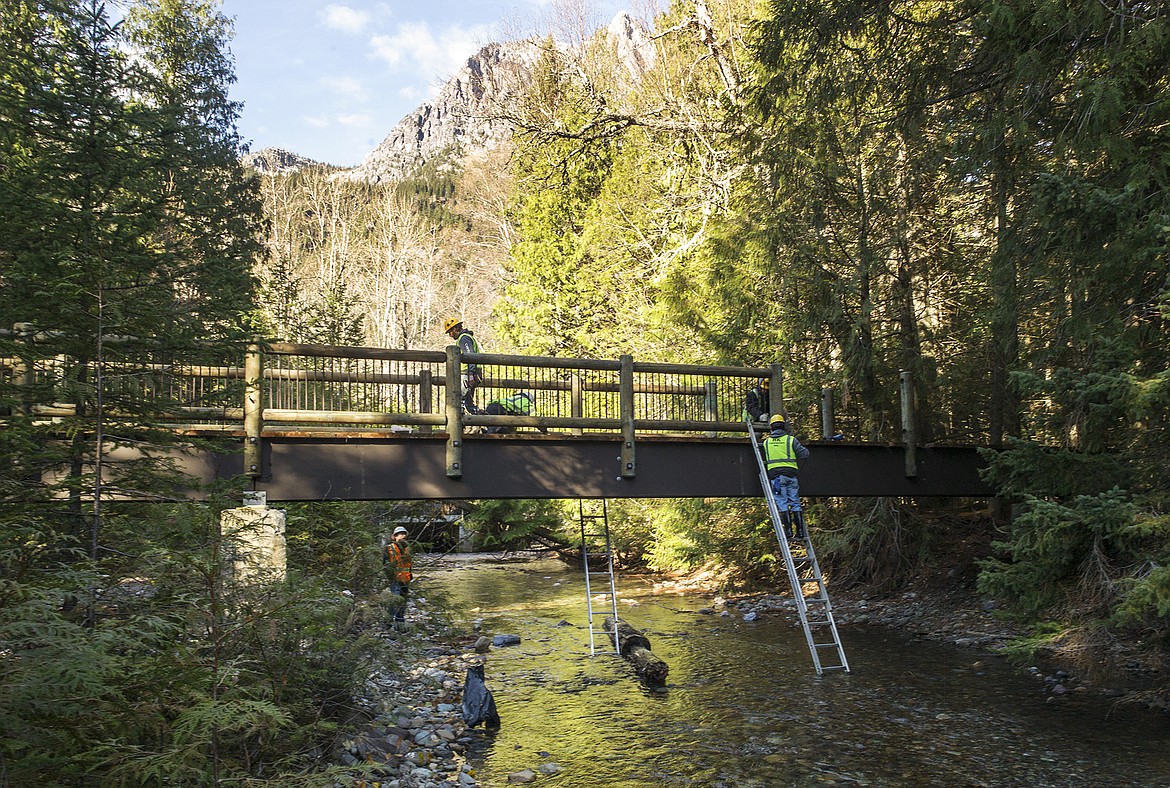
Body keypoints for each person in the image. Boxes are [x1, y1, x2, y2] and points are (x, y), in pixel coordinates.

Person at [761, 413, 810, 539]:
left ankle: (788, 532)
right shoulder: (790, 440)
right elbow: (805, 454)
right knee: (795, 502)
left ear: (771, 427)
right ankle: (800, 532)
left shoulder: (766, 443)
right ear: (783, 426)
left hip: (776, 478)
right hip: (791, 476)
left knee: (782, 503)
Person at [444, 317, 483, 414]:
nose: (450, 335)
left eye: (450, 332)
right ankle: (484, 422)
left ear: (455, 329)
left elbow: (470, 356)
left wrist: (470, 374)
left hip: (468, 374)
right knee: (467, 403)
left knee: (461, 401)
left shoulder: (464, 338)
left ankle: (486, 421)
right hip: (471, 373)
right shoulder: (465, 338)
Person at [383, 525, 413, 630]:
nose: (403, 536)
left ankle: (400, 622)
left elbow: (409, 565)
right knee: (395, 600)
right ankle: (388, 622)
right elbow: (385, 564)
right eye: (400, 534)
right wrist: (390, 577)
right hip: (395, 579)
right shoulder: (389, 548)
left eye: (404, 534)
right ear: (395, 536)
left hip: (406, 579)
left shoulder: (407, 549)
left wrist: (410, 576)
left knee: (402, 602)